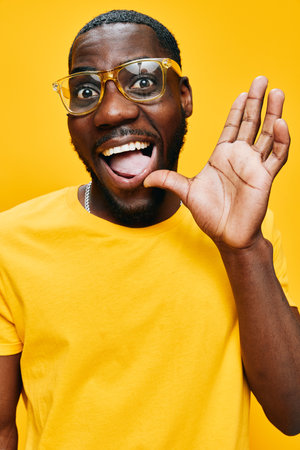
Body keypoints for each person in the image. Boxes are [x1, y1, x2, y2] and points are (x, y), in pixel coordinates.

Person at [0, 9, 300, 450]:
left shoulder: (247, 234)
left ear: (184, 97)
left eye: (142, 81)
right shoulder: (11, 242)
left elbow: (292, 412)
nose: (112, 110)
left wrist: (244, 249)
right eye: (86, 90)